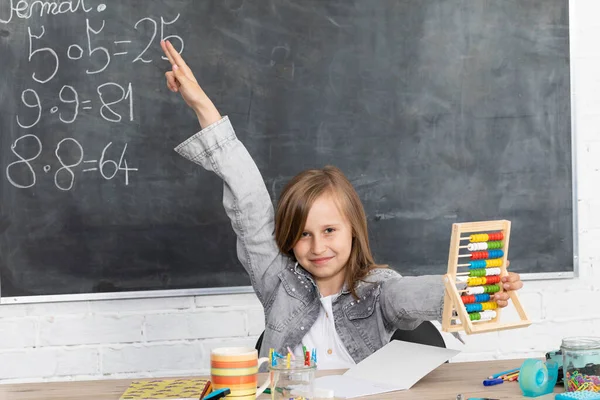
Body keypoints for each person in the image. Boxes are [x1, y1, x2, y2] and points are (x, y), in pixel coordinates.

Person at [160, 40, 524, 369]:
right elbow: (249, 199)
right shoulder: (277, 283)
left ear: (353, 230)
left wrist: (478, 287)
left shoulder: (379, 291)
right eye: (303, 234)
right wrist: (202, 105)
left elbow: (416, 295)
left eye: (330, 230)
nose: (318, 247)